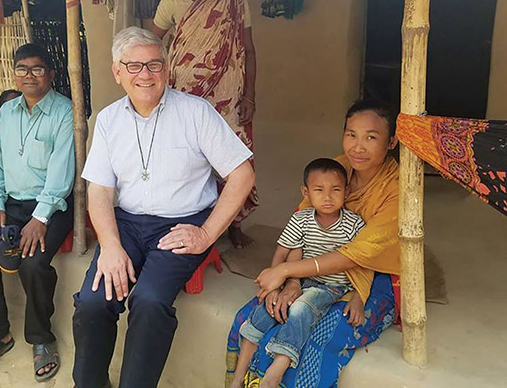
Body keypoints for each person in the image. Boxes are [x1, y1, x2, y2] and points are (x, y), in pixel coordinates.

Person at [72, 27, 255, 388]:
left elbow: (242, 175)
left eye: (154, 65)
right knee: (94, 302)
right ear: (117, 72)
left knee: (150, 301)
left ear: (167, 69)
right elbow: (98, 189)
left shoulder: (196, 112)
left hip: (180, 224)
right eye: (134, 66)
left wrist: (206, 234)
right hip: (125, 224)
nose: (145, 75)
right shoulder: (108, 120)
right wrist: (109, 246)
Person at [226, 99, 401, 388]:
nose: (358, 147)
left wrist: (284, 272)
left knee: (320, 340)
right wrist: (291, 280)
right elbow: (302, 225)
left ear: (391, 141)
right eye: (351, 134)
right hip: (309, 268)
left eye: (371, 137)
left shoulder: (395, 190)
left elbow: (359, 254)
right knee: (260, 314)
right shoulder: (337, 169)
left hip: (368, 275)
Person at [0, 43, 74, 382]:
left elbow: (61, 173)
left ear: (51, 74)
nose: (29, 76)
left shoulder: (65, 112)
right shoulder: (7, 113)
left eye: (38, 69)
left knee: (34, 262)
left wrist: (39, 219)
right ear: (14, 73)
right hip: (10, 205)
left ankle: (41, 339)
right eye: (22, 69)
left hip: (53, 206)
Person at [152, 0, 259, 249]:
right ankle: (191, 223)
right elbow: (152, 48)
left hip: (229, 98)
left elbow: (249, 50)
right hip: (184, 96)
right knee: (189, 161)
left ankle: (234, 223)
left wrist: (250, 95)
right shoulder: (171, 1)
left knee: (235, 162)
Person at [230, 158, 366, 388]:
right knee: (266, 309)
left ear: (347, 191)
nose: (328, 197)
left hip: (332, 286)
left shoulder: (353, 224)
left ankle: (278, 368)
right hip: (301, 279)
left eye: (335, 190)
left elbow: (363, 264)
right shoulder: (301, 219)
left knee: (301, 308)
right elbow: (281, 253)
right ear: (306, 192)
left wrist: (358, 297)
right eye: (319, 190)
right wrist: (275, 285)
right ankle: (238, 376)